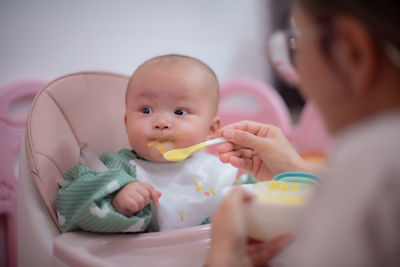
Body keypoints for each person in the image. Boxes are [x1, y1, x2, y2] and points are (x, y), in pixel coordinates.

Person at [207, 0, 400, 266]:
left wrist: (222, 259)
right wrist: (294, 169)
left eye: (296, 42)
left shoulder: (370, 157)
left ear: (351, 51)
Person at [56, 54, 257, 233]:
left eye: (180, 112)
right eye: (146, 111)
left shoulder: (219, 168)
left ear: (211, 130)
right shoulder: (119, 169)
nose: (161, 123)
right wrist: (118, 202)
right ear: (127, 123)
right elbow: (70, 204)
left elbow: (257, 199)